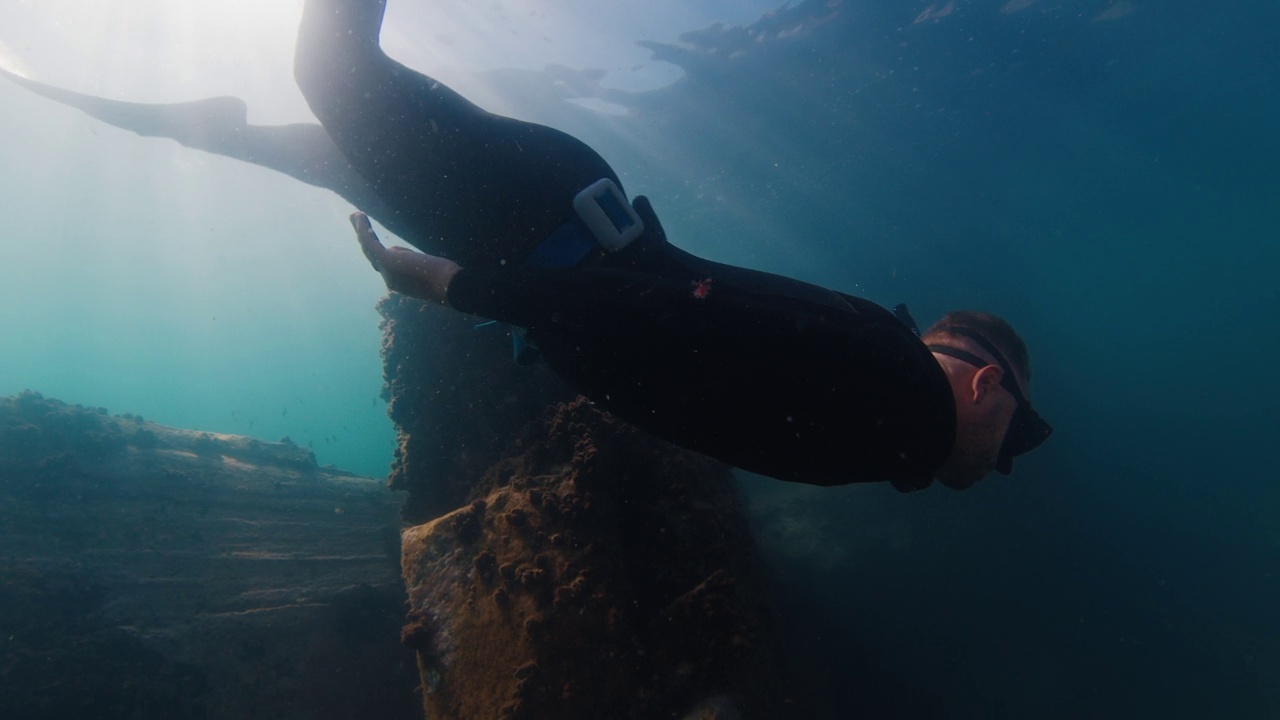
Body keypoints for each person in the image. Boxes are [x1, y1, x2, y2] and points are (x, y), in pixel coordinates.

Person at [291, 0, 1050, 492]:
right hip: (536, 221)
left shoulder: (887, 414)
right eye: (1014, 436)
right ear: (986, 383)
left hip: (551, 221)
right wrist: (456, 289)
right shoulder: (893, 385)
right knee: (332, 72)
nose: (1003, 462)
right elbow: (675, 312)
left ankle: (184, 122)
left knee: (329, 150)